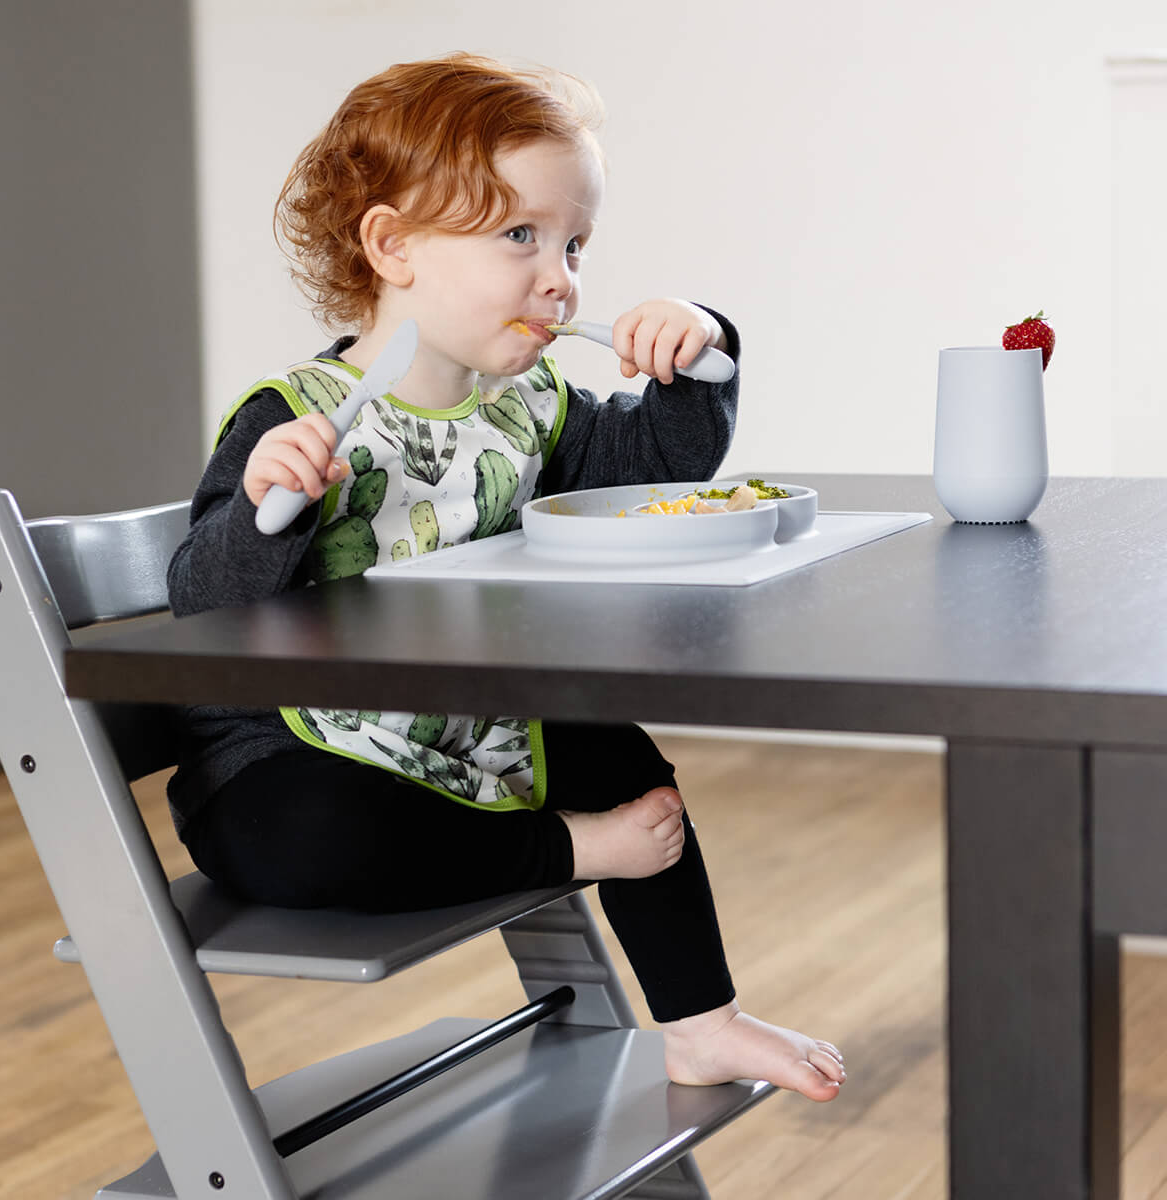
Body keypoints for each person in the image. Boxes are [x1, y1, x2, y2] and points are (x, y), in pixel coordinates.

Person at [167, 52, 845, 1102]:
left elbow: (655, 466)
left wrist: (700, 350)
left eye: (574, 241)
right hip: (289, 758)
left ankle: (702, 1020)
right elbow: (203, 605)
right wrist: (271, 498)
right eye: (519, 236)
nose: (560, 274)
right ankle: (566, 849)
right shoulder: (292, 413)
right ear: (393, 246)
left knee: (622, 758)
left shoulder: (528, 408)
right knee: (314, 835)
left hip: (461, 732)